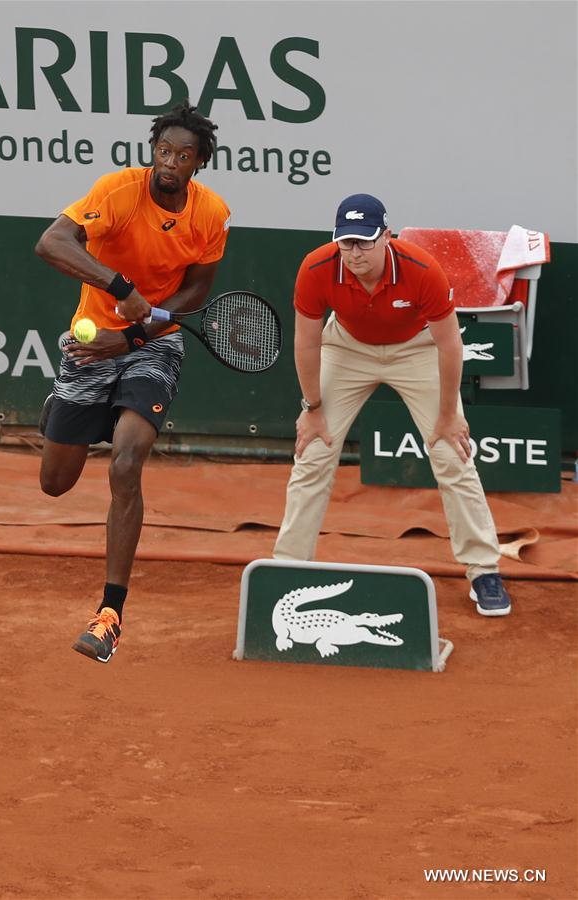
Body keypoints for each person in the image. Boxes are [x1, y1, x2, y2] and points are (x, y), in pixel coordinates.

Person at [35, 100, 231, 662]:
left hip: (153, 344)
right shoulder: (117, 191)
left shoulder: (211, 214)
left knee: (127, 459)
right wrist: (122, 290)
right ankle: (67, 410)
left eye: (183, 155)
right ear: (153, 152)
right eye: (163, 150)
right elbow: (52, 242)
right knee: (55, 484)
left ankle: (110, 614)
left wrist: (142, 333)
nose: (170, 162)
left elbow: (196, 291)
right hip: (91, 340)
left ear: (199, 163)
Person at [273, 193, 512, 617]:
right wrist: (311, 407)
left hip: (416, 350)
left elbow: (449, 343)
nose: (355, 252)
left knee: (452, 454)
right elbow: (307, 342)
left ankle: (483, 569)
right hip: (346, 349)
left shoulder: (422, 270)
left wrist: (447, 415)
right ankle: (288, 567)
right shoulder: (316, 267)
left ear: (386, 236)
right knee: (312, 453)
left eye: (365, 241)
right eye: (347, 242)